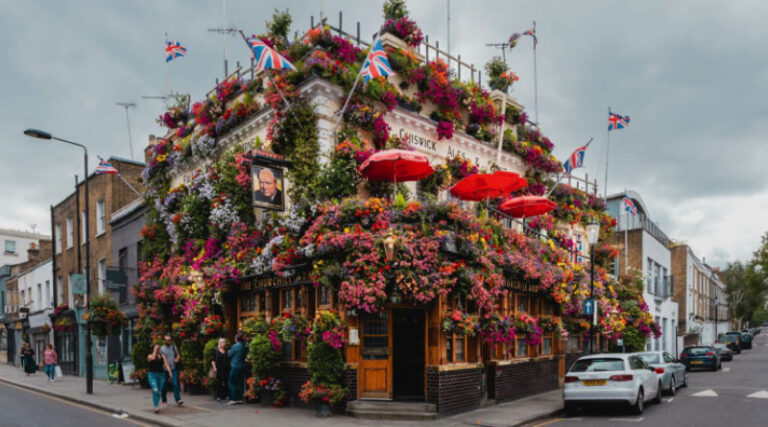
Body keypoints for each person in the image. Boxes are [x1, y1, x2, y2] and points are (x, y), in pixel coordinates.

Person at [160, 335, 184, 406]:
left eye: (170, 340)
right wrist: (169, 370)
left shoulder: (174, 347)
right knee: (164, 385)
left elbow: (178, 355)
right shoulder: (161, 349)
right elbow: (164, 361)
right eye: (167, 340)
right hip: (164, 369)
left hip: (173, 368)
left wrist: (177, 359)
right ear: (164, 341)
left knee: (175, 384)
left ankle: (178, 400)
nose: (169, 341)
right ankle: (164, 400)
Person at [147, 344, 172, 414]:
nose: (158, 349)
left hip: (161, 375)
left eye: (158, 348)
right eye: (156, 348)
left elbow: (166, 364)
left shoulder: (162, 356)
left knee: (159, 391)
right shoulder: (149, 356)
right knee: (155, 389)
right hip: (152, 375)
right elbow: (152, 358)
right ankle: (156, 406)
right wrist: (155, 350)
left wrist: (170, 372)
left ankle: (157, 405)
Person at [227, 333, 246, 405]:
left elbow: (229, 354)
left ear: (236, 339)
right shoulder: (244, 346)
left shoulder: (235, 346)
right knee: (240, 383)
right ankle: (240, 398)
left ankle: (234, 399)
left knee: (231, 382)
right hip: (242, 366)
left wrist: (229, 351)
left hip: (235, 366)